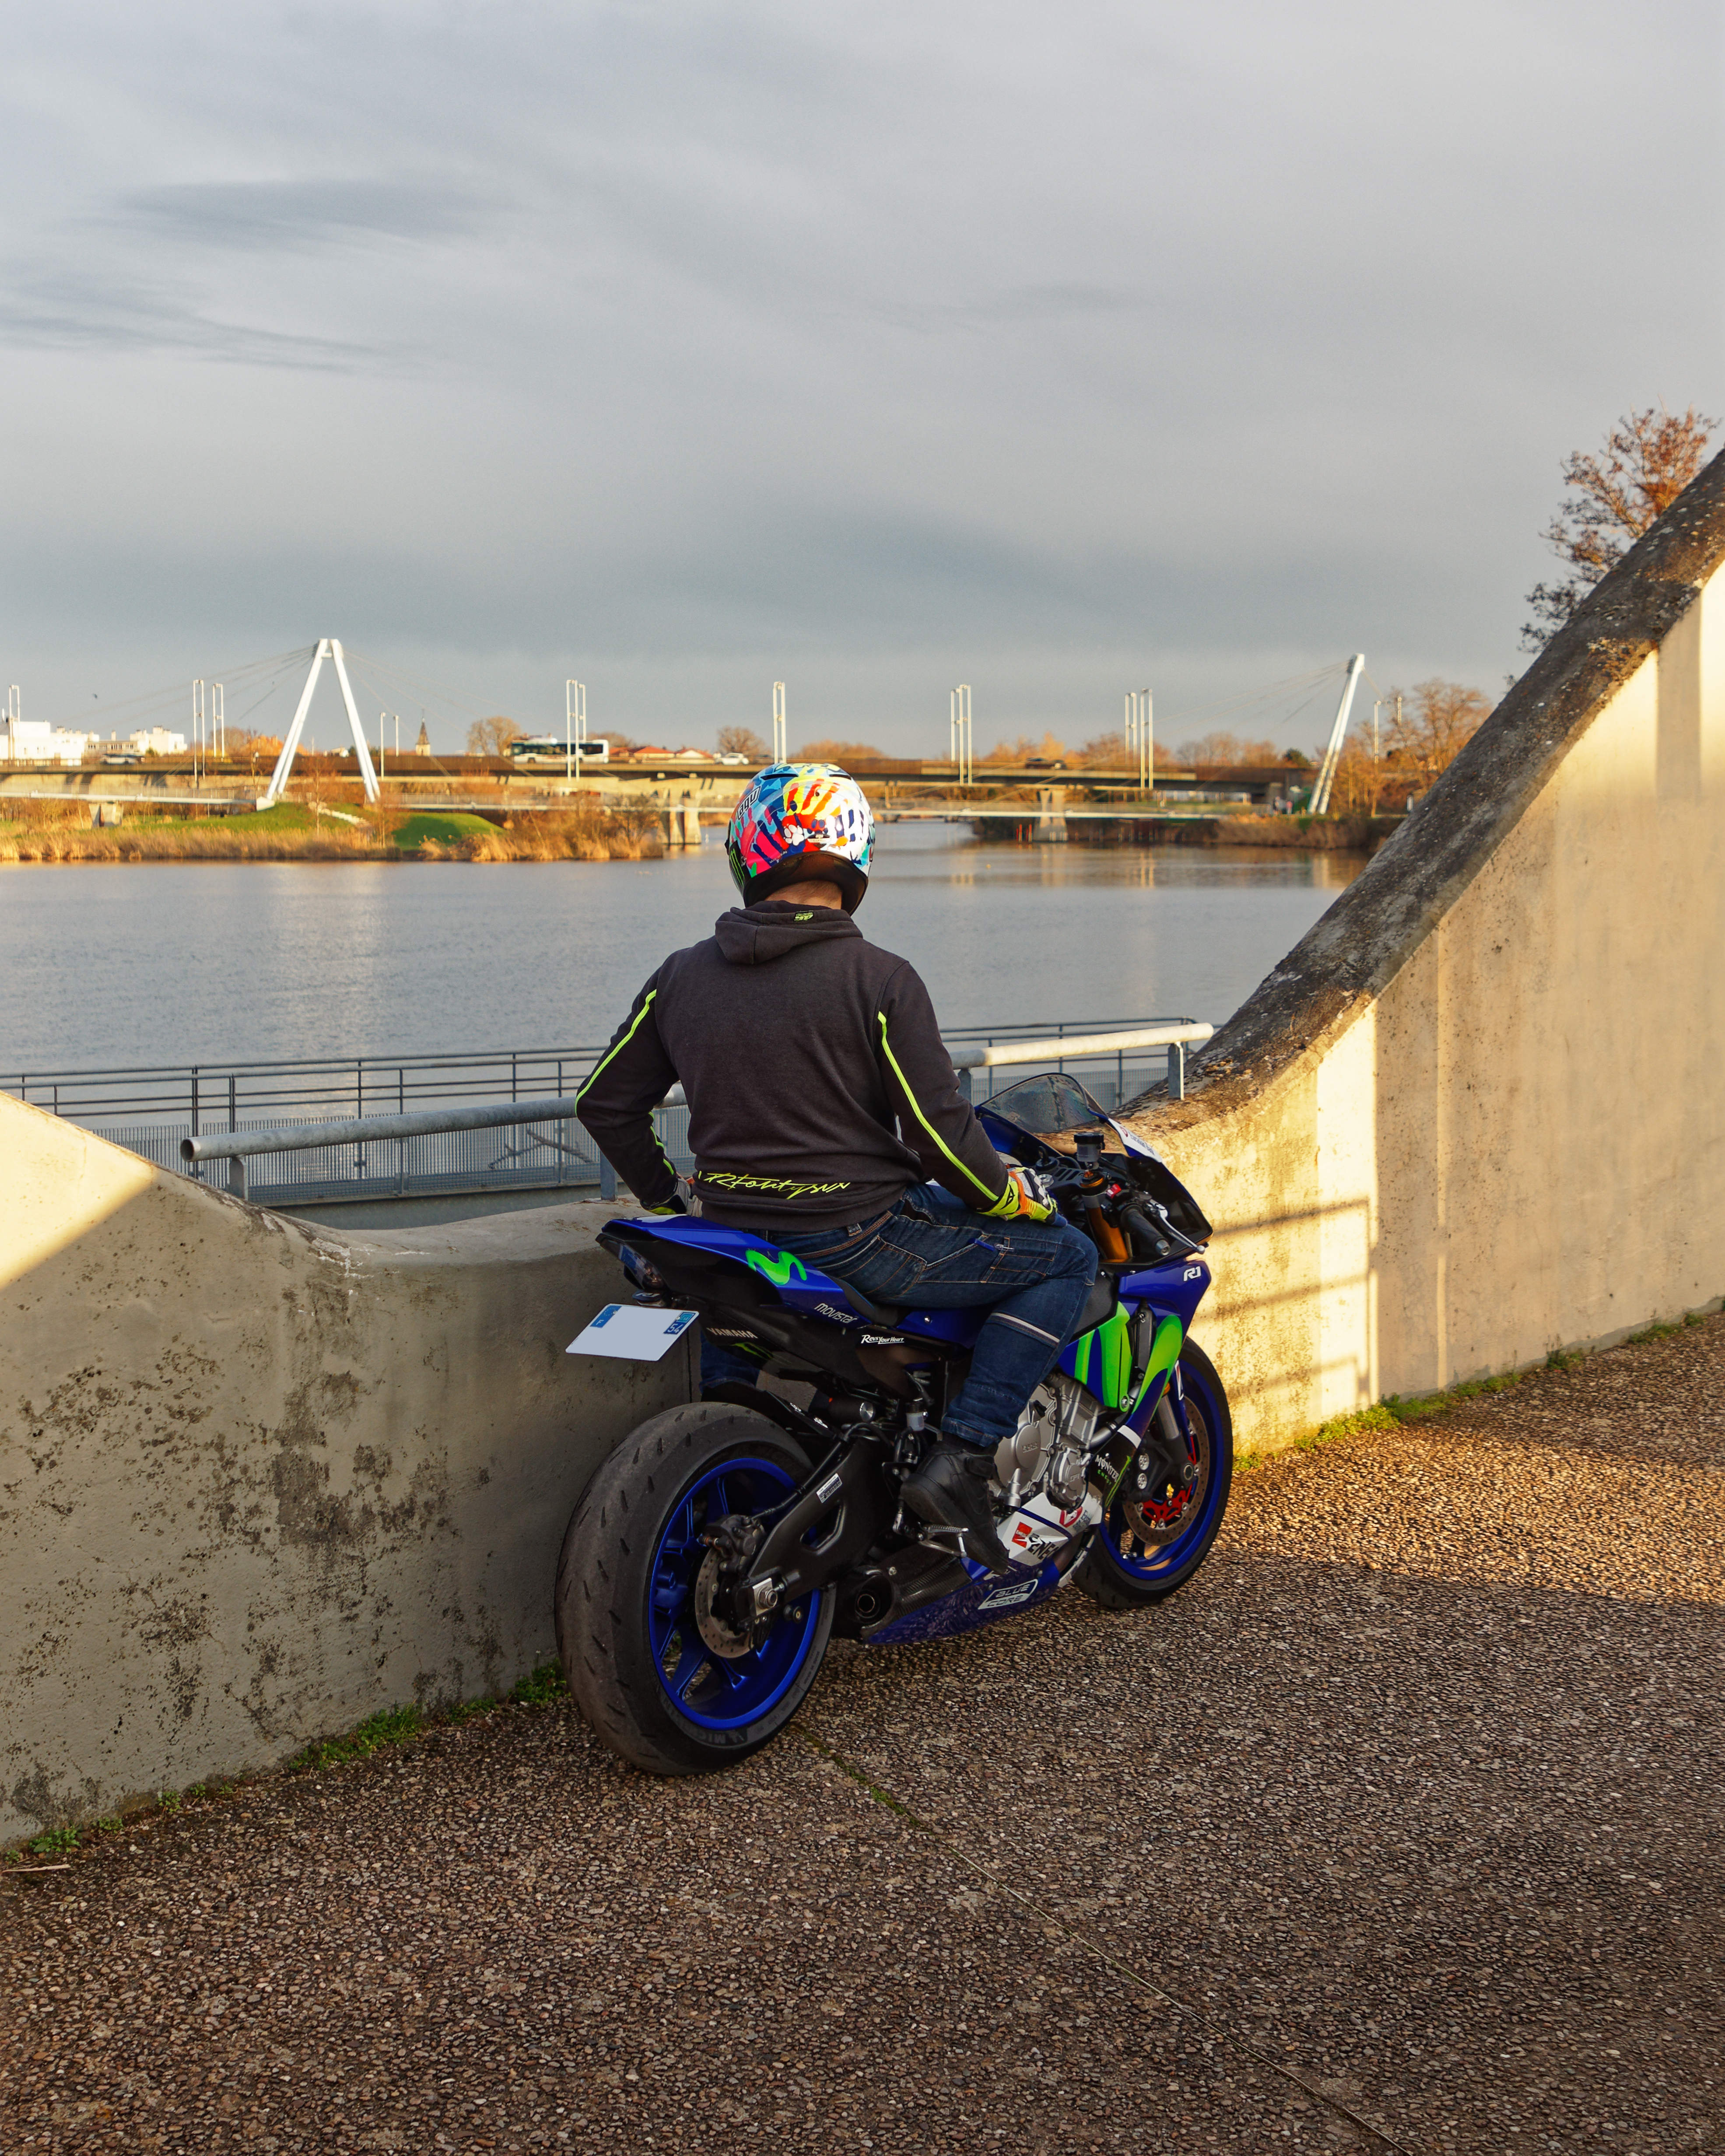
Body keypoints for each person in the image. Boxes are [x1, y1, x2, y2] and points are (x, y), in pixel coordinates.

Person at [575, 762, 1099, 1573]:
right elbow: (937, 1135)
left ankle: (727, 1477)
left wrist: (669, 1197)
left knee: (731, 1365)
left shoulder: (681, 975)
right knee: (1068, 1256)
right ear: (854, 857)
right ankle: (963, 1455)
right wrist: (1008, 1198)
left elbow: (605, 1104)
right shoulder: (880, 978)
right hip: (854, 1240)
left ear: (748, 853)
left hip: (728, 1238)